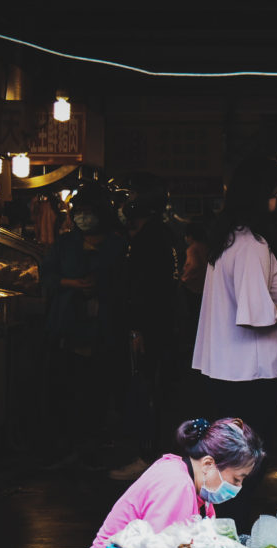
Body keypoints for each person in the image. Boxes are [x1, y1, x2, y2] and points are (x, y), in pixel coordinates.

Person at [192, 157, 277, 532]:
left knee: (232, 461)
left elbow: (249, 293)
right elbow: (256, 312)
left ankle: (227, 530)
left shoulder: (231, 239)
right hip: (249, 372)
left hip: (228, 369)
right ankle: (234, 534)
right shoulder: (250, 243)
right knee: (244, 465)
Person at [42, 183, 127, 466]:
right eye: (80, 212)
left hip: (105, 330)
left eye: (89, 212)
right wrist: (71, 283)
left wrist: (101, 287)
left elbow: (127, 286)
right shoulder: (65, 245)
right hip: (68, 328)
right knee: (67, 389)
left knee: (99, 392)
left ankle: (94, 447)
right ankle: (70, 447)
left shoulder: (117, 246)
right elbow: (46, 278)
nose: (83, 217)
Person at [91, 417, 263, 548]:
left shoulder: (198, 491)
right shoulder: (176, 485)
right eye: (236, 479)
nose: (237, 487)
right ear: (208, 464)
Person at [109, 181, 179, 481]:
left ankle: (148, 457)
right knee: (161, 391)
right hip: (168, 326)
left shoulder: (145, 242)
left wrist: (137, 330)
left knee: (149, 391)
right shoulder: (169, 236)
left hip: (151, 328)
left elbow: (140, 290)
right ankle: (158, 455)